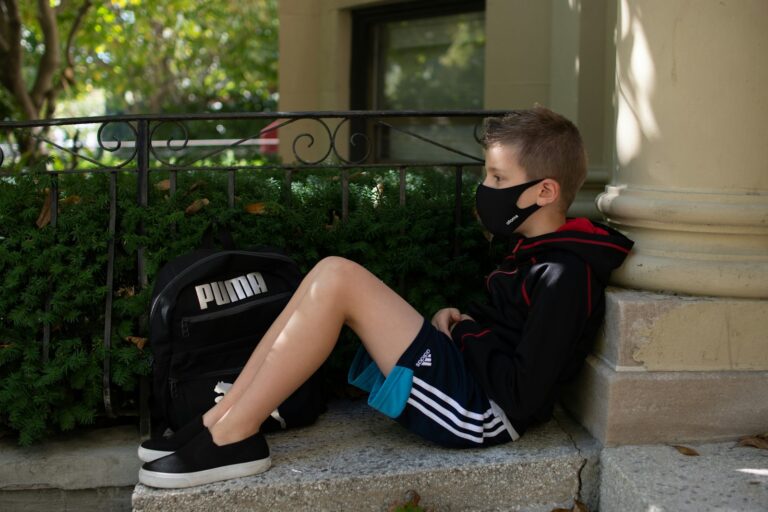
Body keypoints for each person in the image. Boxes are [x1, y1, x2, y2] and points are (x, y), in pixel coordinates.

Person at [137, 106, 634, 489]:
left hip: (482, 414)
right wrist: (458, 322)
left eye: (499, 179)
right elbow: (506, 329)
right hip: (466, 375)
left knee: (339, 280)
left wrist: (466, 333)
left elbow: (524, 393)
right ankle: (219, 421)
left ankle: (233, 439)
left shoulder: (565, 272)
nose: (486, 188)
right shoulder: (534, 249)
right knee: (330, 273)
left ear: (545, 191)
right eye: (488, 174)